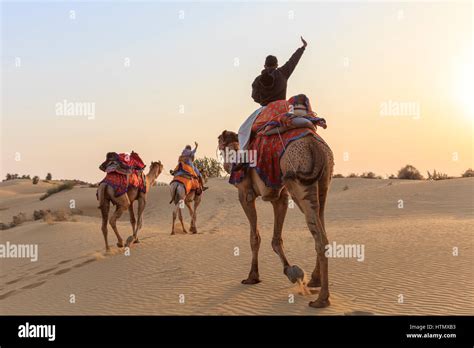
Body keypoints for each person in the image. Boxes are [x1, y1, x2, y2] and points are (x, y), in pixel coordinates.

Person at [239, 37, 307, 150]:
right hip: (285, 107)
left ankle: (244, 159)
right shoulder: (283, 72)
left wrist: (263, 99)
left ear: (265, 66)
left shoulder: (257, 80)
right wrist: (302, 48)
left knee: (243, 130)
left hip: (266, 109)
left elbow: (254, 97)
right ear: (276, 65)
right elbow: (293, 61)